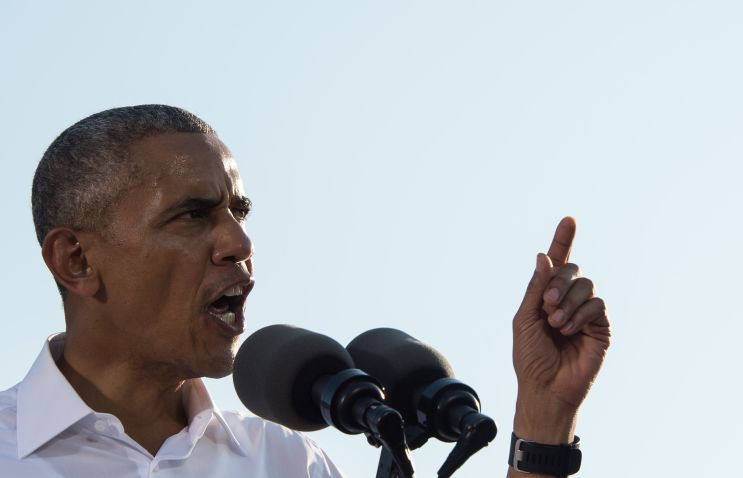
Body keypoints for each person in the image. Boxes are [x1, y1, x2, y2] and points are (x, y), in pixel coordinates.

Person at [0, 105, 611, 477]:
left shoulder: (285, 464)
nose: (238, 243)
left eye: (239, 212)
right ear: (76, 260)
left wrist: (544, 413)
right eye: (192, 214)